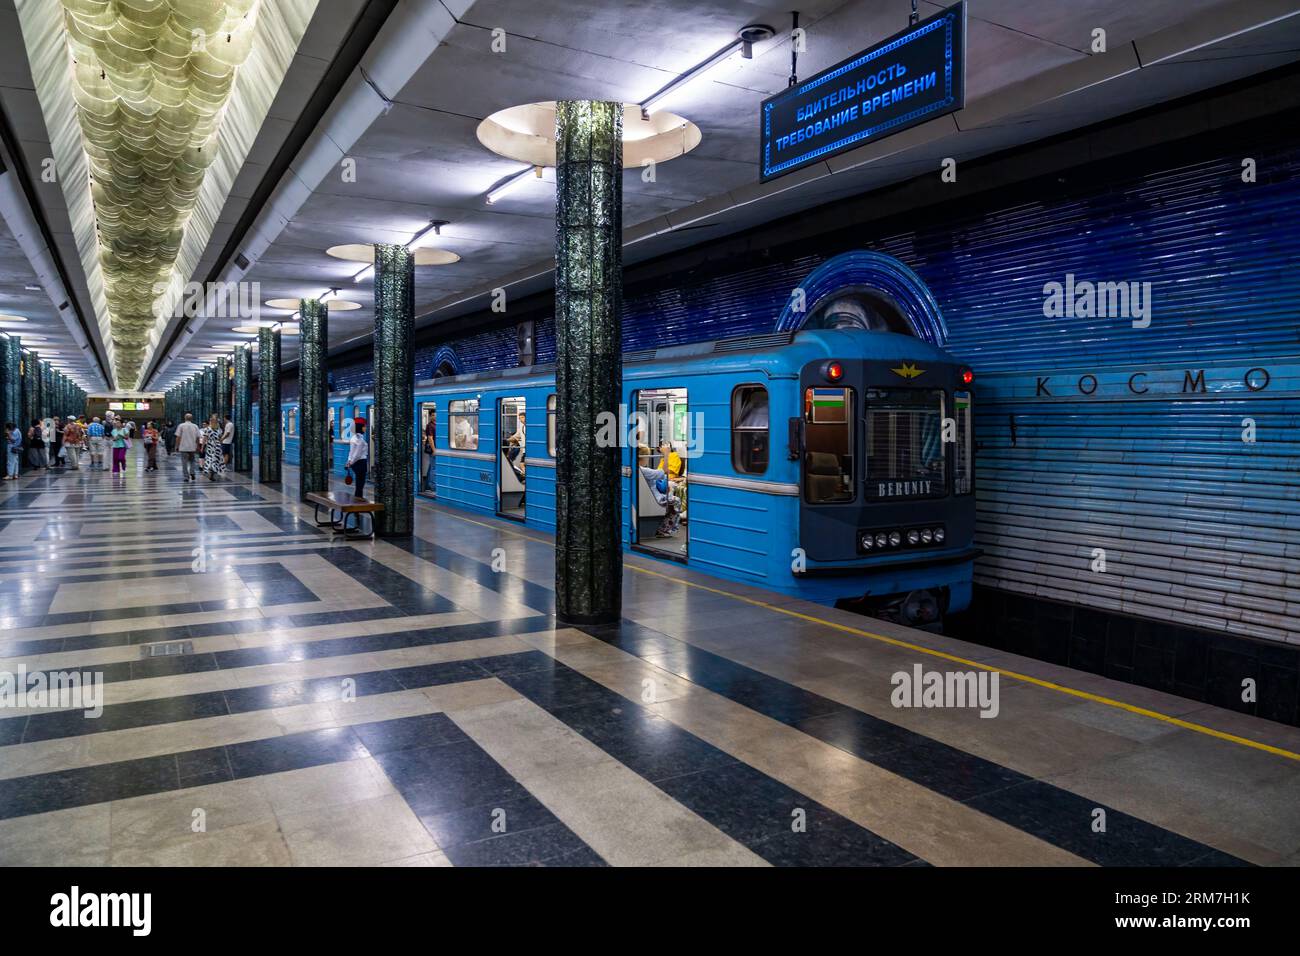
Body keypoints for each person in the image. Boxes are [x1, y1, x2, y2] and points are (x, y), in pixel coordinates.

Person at [346, 418, 369, 499]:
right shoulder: (359, 439)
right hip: (360, 463)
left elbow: (351, 452)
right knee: (360, 484)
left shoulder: (354, 437)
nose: (365, 428)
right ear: (360, 427)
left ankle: (357, 499)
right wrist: (351, 462)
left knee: (359, 484)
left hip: (356, 463)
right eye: (364, 426)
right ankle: (358, 500)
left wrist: (349, 461)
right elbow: (357, 454)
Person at [175, 413, 200, 481]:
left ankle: (186, 477)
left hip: (183, 447)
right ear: (191, 418)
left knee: (184, 462)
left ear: (185, 418)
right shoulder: (195, 426)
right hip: (192, 447)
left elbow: (178, 437)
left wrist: (177, 446)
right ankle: (192, 472)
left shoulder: (181, 426)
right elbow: (198, 437)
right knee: (192, 461)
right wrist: (197, 445)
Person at [200, 414, 224, 480]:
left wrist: (202, 447)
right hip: (214, 446)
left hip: (212, 446)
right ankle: (212, 474)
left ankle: (212, 474)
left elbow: (205, 438)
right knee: (213, 460)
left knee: (212, 460)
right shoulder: (217, 429)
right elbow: (220, 438)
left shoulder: (210, 429)